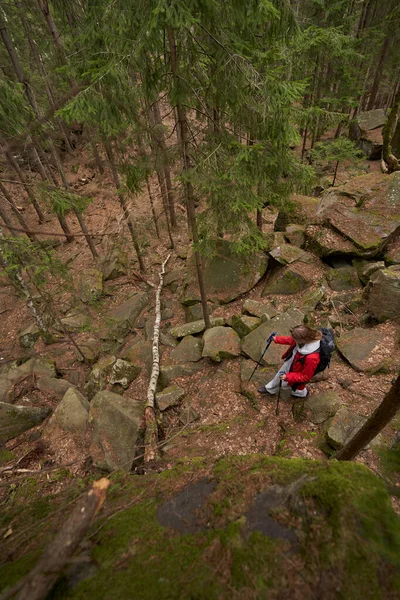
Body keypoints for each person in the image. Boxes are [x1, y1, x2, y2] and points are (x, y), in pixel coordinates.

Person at [258, 325, 322, 398]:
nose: (293, 340)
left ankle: (302, 393)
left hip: (298, 371)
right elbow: (290, 340)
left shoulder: (312, 358)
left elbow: (306, 376)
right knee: (279, 376)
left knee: (294, 388)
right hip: (291, 362)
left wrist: (288, 376)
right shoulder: (304, 340)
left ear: (302, 340)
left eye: (295, 339)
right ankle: (270, 389)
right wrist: (276, 339)